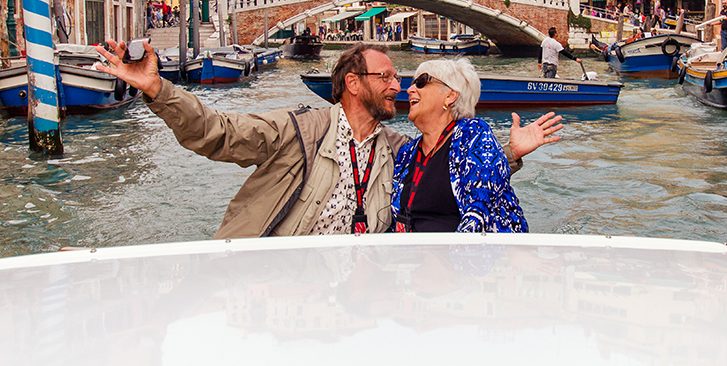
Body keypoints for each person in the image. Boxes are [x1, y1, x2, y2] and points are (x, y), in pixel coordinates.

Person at [93, 41, 562, 239]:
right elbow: (217, 133)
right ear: (354, 84)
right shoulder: (296, 131)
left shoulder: (398, 151)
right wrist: (157, 89)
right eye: (388, 77)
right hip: (280, 282)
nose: (399, 86)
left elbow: (454, 172)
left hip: (362, 294)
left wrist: (509, 153)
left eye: (404, 78)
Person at [391, 58, 527, 233]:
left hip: (462, 255)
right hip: (410, 254)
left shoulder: (473, 133)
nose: (410, 89)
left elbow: (480, 208)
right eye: (412, 84)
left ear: (450, 95)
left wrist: (447, 257)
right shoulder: (407, 153)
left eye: (421, 82)